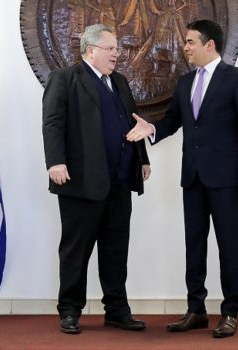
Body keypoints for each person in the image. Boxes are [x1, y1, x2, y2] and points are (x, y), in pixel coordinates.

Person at [127, 19, 238, 338]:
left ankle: (229, 313)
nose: (185, 47)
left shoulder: (236, 79)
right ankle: (196, 310)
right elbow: (173, 120)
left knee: (229, 247)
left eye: (190, 42)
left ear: (209, 44)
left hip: (227, 179)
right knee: (194, 245)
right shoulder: (186, 82)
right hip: (193, 178)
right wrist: (152, 129)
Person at [42, 24, 151, 335]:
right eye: (110, 48)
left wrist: (142, 159)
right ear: (90, 50)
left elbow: (132, 122)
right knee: (76, 251)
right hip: (80, 182)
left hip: (120, 183)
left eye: (117, 48)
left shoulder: (120, 82)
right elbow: (53, 122)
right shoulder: (65, 78)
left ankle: (117, 311)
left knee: (116, 251)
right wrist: (55, 161)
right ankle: (69, 311)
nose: (117, 53)